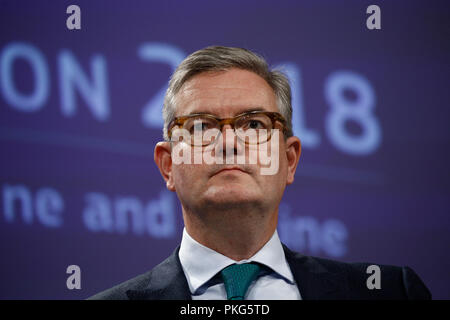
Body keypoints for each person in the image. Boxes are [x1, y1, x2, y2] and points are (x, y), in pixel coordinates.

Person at [89, 46, 431, 300]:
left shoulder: (391, 292)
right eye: (200, 126)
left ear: (289, 160)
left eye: (253, 123)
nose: (228, 143)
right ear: (168, 165)